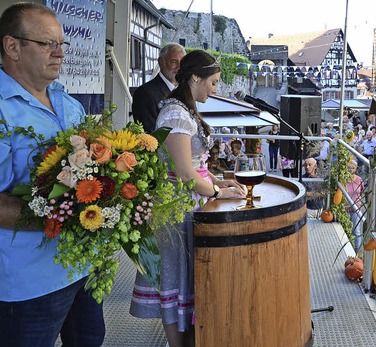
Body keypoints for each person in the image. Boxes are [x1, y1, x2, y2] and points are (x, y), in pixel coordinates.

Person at [0, 4, 106, 346]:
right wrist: (63, 218)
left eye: (62, 43)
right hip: (28, 282)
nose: (60, 53)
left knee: (90, 340)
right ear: (13, 47)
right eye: (48, 44)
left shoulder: (68, 103)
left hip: (81, 267)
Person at [129, 50, 245, 347]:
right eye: (214, 82)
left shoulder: (183, 108)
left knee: (186, 281)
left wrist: (218, 179)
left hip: (187, 206)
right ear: (195, 77)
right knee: (175, 280)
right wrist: (219, 192)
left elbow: (196, 166)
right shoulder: (176, 114)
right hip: (175, 210)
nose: (215, 89)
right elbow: (183, 173)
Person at [132, 43, 186, 133]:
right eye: (174, 62)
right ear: (161, 62)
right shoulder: (145, 93)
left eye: (182, 63)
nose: (179, 67)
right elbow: (150, 134)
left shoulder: (183, 91)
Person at [345, 160, 365, 249]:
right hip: (345, 208)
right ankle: (347, 248)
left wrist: (358, 202)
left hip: (356, 208)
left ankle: (357, 250)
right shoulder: (343, 179)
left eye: (353, 168)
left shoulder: (359, 179)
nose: (350, 170)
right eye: (349, 168)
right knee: (345, 230)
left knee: (356, 230)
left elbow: (361, 192)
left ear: (356, 169)